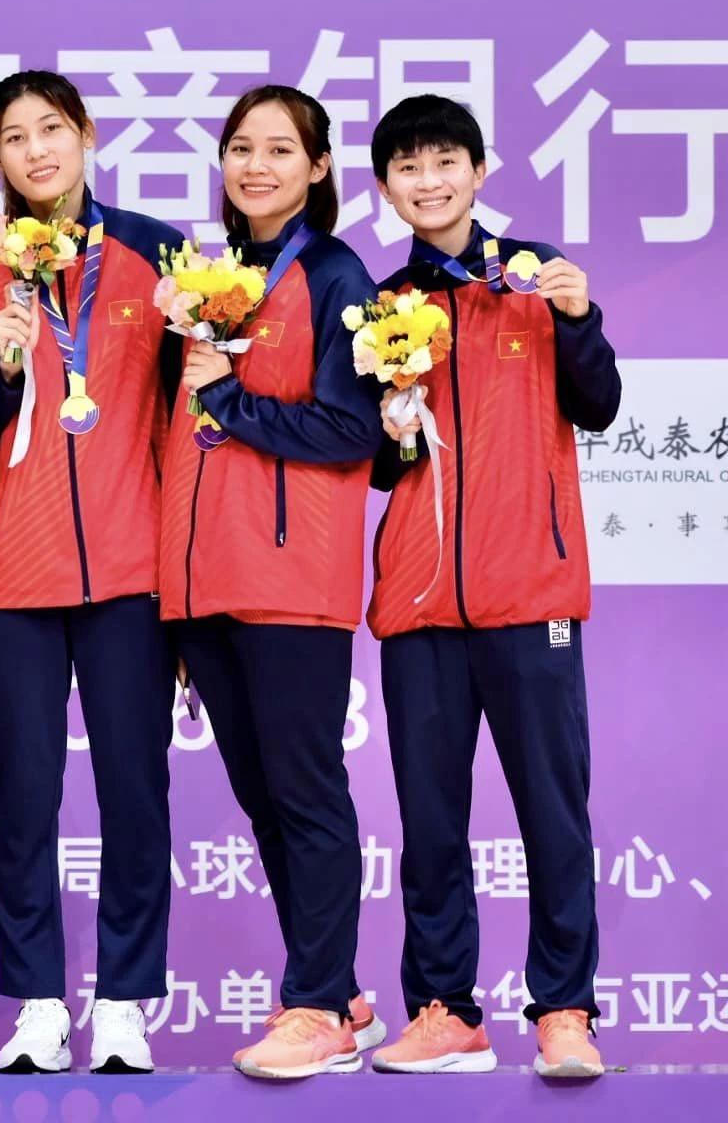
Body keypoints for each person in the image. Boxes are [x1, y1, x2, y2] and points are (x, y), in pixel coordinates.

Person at [364, 94, 618, 1080]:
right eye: (408, 168)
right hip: (418, 601)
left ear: (479, 170)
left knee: (554, 815)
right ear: (386, 188)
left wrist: (578, 318)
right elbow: (374, 468)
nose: (428, 182)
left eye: (445, 162)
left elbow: (598, 404)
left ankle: (564, 1009)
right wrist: (391, 431)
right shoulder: (381, 305)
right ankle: (444, 1008)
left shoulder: (536, 278)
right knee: (430, 823)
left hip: (531, 594)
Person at [0, 70, 182, 1074]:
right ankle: (39, 1002)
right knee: (23, 797)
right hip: (14, 578)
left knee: (135, 793)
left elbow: (181, 421)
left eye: (51, 128)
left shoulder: (158, 256)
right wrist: (3, 368)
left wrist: (180, 580)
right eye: (14, 137)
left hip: (132, 575)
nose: (36, 150)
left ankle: (124, 1001)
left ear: (86, 134)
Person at [155, 84, 385, 1079]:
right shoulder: (206, 278)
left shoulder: (335, 275)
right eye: (241, 147)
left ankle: (317, 1001)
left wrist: (233, 400)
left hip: (292, 577)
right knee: (265, 800)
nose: (256, 166)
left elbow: (352, 428)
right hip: (202, 581)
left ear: (319, 167)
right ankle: (339, 995)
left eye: (280, 149)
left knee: (307, 792)